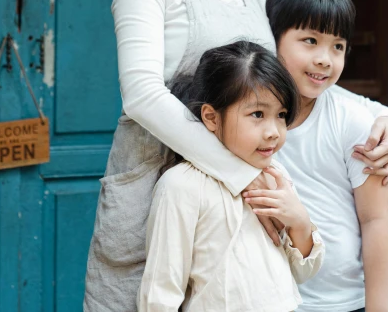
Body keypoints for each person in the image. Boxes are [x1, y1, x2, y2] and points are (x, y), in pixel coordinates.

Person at [83, 0, 388, 312]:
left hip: (239, 213)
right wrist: (239, 173)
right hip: (158, 194)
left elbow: (292, 74)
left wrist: (382, 118)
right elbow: (142, 94)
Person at [138, 41, 324, 311]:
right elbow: (160, 291)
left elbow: (302, 273)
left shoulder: (276, 176)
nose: (273, 131)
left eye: (281, 115)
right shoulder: (182, 186)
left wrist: (300, 222)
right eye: (257, 114)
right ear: (212, 118)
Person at [245, 0, 388, 312]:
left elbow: (375, 221)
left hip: (341, 302)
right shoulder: (246, 118)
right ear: (272, 39)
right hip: (268, 299)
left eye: (337, 46)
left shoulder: (354, 122)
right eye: (310, 41)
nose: (325, 59)